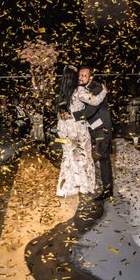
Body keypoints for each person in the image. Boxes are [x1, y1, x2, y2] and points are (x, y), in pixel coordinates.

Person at [56, 66, 107, 198]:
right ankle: (85, 186)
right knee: (84, 156)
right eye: (77, 75)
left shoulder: (61, 91)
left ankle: (65, 188)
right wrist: (104, 92)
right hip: (77, 129)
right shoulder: (78, 90)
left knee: (68, 157)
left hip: (63, 129)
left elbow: (59, 112)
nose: (79, 78)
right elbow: (95, 101)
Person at [70, 66, 114, 201]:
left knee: (103, 158)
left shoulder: (97, 88)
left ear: (91, 77)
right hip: (91, 129)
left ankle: (107, 190)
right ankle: (94, 182)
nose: (81, 78)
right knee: (94, 157)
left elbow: (90, 110)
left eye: (84, 75)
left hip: (102, 128)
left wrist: (71, 115)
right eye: (80, 75)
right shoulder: (81, 89)